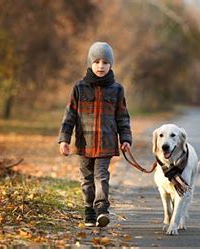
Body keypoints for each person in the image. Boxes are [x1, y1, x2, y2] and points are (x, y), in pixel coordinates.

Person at [58, 42, 132, 227]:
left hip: (106, 143)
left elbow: (122, 117)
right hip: (84, 143)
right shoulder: (79, 88)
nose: (101, 66)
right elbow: (70, 115)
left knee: (101, 176)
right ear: (90, 63)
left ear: (111, 65)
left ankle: (101, 210)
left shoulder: (117, 89)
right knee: (86, 179)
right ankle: (89, 210)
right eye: (97, 61)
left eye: (105, 62)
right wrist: (64, 139)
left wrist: (125, 139)